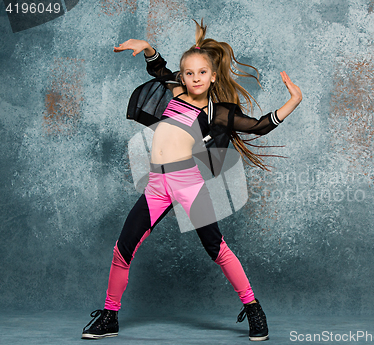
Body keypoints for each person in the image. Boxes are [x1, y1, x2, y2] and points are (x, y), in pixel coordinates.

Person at [82, 19, 302, 341]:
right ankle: (110, 315)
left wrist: (292, 102)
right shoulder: (176, 91)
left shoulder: (218, 112)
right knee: (122, 249)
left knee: (217, 248)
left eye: (202, 73)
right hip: (157, 186)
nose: (195, 78)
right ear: (182, 76)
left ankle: (253, 307)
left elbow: (258, 126)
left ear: (213, 76)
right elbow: (159, 70)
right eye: (189, 73)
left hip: (188, 184)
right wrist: (147, 48)